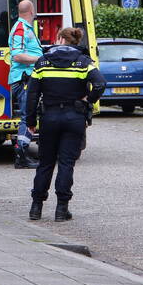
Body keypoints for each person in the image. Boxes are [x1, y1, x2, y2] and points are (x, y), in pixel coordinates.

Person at [24, 27, 105, 221]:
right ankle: (61, 209)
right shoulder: (84, 62)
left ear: (59, 38)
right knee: (66, 164)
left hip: (49, 117)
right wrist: (88, 100)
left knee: (45, 163)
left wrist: (30, 120)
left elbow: (32, 94)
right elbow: (101, 83)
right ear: (76, 41)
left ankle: (36, 208)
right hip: (74, 117)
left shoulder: (43, 62)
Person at [8, 0, 41, 169]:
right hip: (23, 78)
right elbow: (17, 56)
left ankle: (23, 153)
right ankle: (21, 156)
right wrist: (42, 60)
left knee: (29, 116)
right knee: (27, 117)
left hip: (26, 77)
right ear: (31, 11)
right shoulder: (21, 28)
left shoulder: (26, 28)